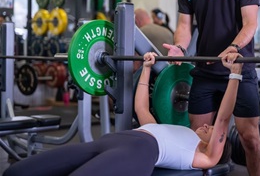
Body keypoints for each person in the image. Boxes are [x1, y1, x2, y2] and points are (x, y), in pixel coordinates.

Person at [3, 52, 243, 176]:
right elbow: (141, 109)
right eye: (209, 126)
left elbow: (222, 117)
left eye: (210, 130)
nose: (206, 126)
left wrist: (235, 74)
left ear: (217, 146)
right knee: (17, 172)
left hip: (138, 152)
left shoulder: (207, 156)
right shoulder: (178, 132)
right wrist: (147, 69)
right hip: (110, 141)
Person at [162, 0, 260, 176]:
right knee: (195, 142)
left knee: (250, 139)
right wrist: (180, 48)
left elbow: (250, 24)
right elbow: (185, 26)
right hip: (205, 74)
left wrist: (233, 47)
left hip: (239, 72)